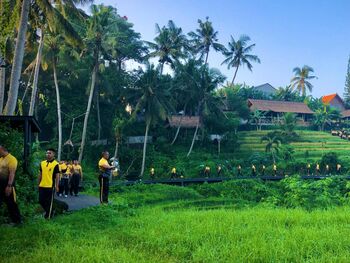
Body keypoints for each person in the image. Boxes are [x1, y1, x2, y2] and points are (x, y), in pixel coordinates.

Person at [0, 145, 22, 225]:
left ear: (2, 149)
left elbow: (12, 173)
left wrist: (9, 186)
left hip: (8, 185)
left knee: (11, 203)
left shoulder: (12, 159)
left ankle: (18, 221)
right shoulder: (1, 159)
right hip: (0, 185)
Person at [38, 149, 60, 219]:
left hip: (50, 186)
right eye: (47, 153)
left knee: (49, 202)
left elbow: (57, 176)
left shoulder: (56, 164)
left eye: (49, 153)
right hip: (42, 185)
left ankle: (48, 216)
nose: (47, 154)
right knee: (41, 200)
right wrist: (38, 183)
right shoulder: (42, 163)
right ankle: (51, 211)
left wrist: (57, 186)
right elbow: (40, 174)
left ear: (53, 155)